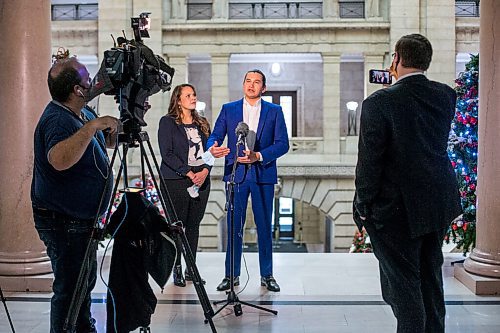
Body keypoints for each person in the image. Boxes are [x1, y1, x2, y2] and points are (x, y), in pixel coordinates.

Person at [353, 34, 462, 333]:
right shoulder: (445, 95)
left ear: (397, 59)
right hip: (437, 202)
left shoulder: (379, 102)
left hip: (396, 209)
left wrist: (362, 205)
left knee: (404, 291)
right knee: (430, 280)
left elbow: (370, 162)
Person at [31, 54, 119, 332]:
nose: (93, 82)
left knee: (84, 283)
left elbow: (105, 141)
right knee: (69, 288)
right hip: (62, 221)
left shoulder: (84, 112)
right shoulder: (58, 119)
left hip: (81, 220)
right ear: (77, 90)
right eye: (87, 78)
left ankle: (82, 326)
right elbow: (59, 159)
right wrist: (92, 126)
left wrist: (122, 122)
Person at [208, 69, 289, 292]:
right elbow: (215, 135)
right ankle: (231, 275)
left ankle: (267, 275)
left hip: (263, 174)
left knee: (264, 227)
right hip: (236, 175)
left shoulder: (275, 111)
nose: (251, 85)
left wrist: (258, 156)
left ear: (263, 88)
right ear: (243, 84)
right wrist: (212, 147)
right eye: (248, 81)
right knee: (234, 226)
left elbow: (283, 144)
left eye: (256, 82)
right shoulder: (229, 109)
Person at [158, 84, 211, 287]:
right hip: (176, 181)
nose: (193, 98)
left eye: (194, 94)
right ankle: (177, 269)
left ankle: (191, 269)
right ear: (178, 100)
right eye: (188, 95)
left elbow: (210, 152)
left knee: (193, 227)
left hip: (201, 181)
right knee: (178, 227)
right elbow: (167, 154)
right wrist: (189, 173)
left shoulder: (203, 123)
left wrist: (204, 171)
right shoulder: (168, 123)